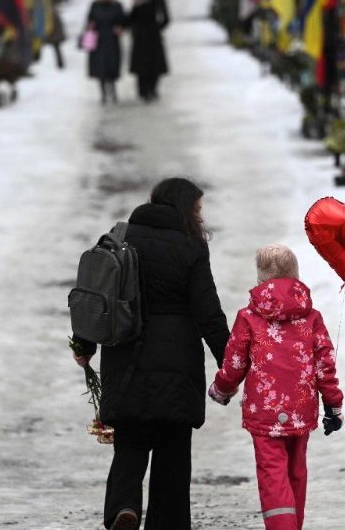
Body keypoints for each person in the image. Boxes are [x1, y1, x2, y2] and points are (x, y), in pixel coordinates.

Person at [73, 178, 230, 530]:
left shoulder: (121, 238)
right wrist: (231, 363)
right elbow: (209, 313)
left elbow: (98, 296)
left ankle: (124, 509)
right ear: (183, 207)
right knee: (173, 458)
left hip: (126, 360)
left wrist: (83, 346)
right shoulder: (190, 247)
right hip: (178, 369)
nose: (200, 217)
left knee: (129, 447)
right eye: (197, 209)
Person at [208, 244, 344, 530]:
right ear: (295, 275)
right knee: (296, 471)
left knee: (273, 474)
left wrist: (222, 389)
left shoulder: (248, 317)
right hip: (301, 409)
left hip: (264, 412)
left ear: (261, 277)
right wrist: (333, 404)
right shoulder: (312, 317)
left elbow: (234, 363)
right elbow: (325, 365)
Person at [126, 0, 169, 102]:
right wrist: (136, 6)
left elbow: (166, 17)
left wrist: (158, 28)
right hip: (140, 38)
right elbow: (131, 18)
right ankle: (143, 91)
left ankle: (153, 89)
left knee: (155, 66)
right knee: (141, 67)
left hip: (154, 37)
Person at [86, 0, 125, 104]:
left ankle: (113, 91)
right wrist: (90, 26)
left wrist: (120, 27)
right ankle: (103, 93)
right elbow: (89, 20)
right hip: (99, 41)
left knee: (112, 67)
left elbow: (123, 20)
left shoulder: (116, 5)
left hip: (112, 41)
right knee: (100, 68)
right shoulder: (95, 5)